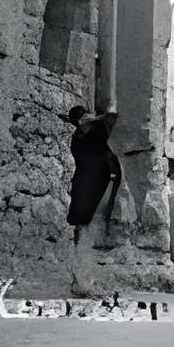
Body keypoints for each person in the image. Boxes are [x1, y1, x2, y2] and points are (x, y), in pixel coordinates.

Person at [63, 106, 120, 282]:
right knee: (86, 222)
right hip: (95, 178)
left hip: (95, 178)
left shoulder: (87, 133)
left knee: (85, 222)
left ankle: (82, 273)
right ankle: (82, 273)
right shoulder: (89, 132)